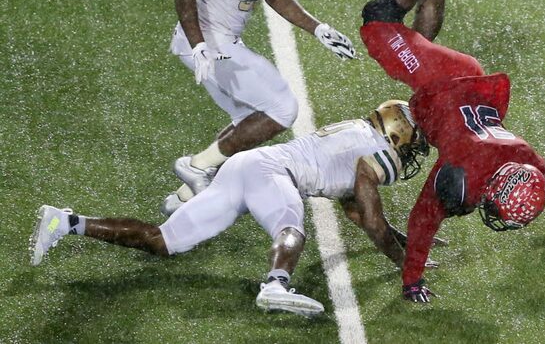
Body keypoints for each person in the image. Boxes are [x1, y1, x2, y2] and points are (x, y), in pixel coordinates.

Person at [29, 100, 433, 317]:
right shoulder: (372, 155)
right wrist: (408, 265)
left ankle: (65, 222)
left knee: (163, 241)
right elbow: (373, 223)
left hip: (248, 167)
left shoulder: (358, 135)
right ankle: (275, 286)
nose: (414, 152)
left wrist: (402, 238)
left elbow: (357, 212)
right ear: (395, 137)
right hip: (273, 173)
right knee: (290, 228)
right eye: (413, 143)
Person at [359, 0, 545, 303]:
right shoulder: (462, 174)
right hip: (443, 80)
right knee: (377, 23)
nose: (495, 217)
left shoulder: (529, 161)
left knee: (421, 36)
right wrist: (411, 280)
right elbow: (422, 219)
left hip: (463, 86)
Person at [165, 0, 356, 213]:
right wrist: (199, 47)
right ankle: (195, 167)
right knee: (283, 109)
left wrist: (318, 29)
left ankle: (183, 199)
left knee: (251, 124)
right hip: (208, 42)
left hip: (222, 41)